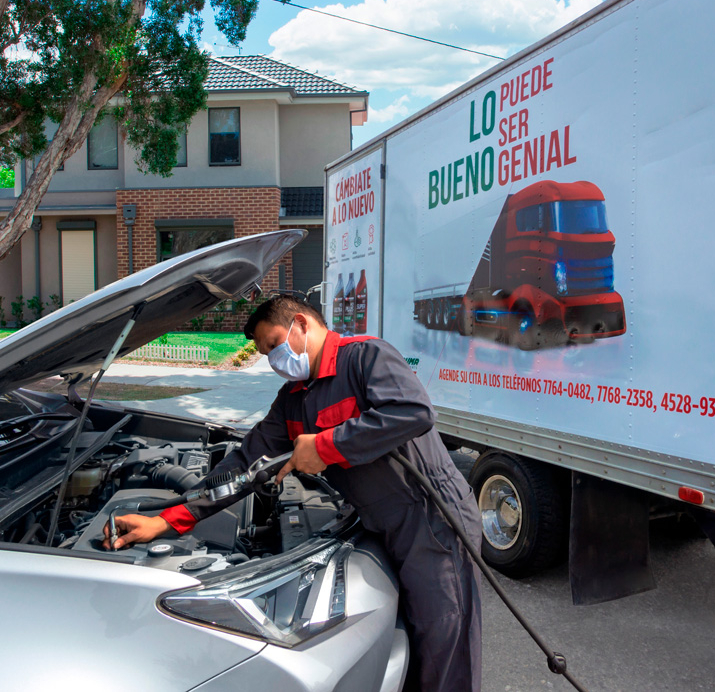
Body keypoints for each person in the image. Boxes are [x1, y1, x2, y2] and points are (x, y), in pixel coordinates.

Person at [107, 295, 483, 692]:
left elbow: (414, 412)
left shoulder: (365, 358)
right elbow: (244, 465)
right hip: (377, 522)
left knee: (445, 645)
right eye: (265, 353)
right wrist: (168, 519)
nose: (273, 359)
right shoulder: (293, 398)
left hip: (432, 518)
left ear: (300, 325)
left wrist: (323, 446)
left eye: (273, 344)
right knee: (407, 638)